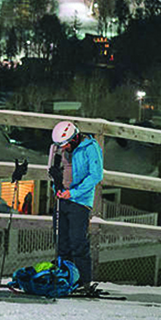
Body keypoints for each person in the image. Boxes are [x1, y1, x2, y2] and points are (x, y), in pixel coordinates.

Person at [47, 120, 103, 288]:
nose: (63, 149)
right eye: (60, 145)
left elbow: (96, 175)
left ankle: (83, 280)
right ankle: (65, 276)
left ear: (74, 138)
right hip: (62, 199)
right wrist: (55, 185)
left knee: (78, 240)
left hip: (80, 201)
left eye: (65, 145)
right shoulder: (57, 149)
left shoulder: (90, 148)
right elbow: (53, 170)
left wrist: (74, 192)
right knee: (62, 241)